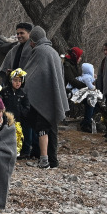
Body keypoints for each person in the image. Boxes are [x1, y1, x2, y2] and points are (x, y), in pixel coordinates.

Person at [21, 26, 67, 168]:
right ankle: (53, 161)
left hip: (42, 99)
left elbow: (31, 75)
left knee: (42, 129)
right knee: (52, 130)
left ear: (34, 39)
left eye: (31, 41)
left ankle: (44, 160)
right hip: (53, 97)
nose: (30, 44)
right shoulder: (53, 52)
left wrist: (21, 82)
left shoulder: (39, 51)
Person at [0, 68, 33, 160]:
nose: (18, 83)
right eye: (15, 80)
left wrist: (22, 111)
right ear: (11, 80)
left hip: (19, 119)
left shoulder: (22, 93)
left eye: (20, 81)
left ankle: (20, 152)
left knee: (18, 136)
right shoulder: (5, 91)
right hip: (7, 119)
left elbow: (27, 106)